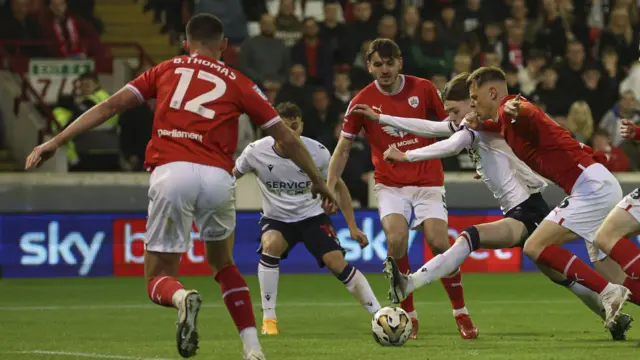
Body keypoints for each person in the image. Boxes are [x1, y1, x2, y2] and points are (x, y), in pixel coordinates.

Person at [24, 14, 337, 360]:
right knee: (224, 265)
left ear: (186, 44)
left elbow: (110, 105)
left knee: (157, 277)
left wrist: (56, 140)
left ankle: (180, 298)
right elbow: (287, 140)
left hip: (172, 171)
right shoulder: (239, 81)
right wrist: (319, 181)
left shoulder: (165, 69)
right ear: (224, 47)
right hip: (219, 177)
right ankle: (253, 349)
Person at [350, 72, 632, 340]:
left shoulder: (482, 125)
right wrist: (382, 117)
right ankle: (614, 316)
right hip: (527, 207)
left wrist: (406, 155)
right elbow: (433, 127)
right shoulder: (480, 125)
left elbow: (446, 143)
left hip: (528, 209)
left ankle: (412, 284)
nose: (453, 116)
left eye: (458, 108)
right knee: (563, 277)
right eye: (449, 111)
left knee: (470, 237)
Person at [463, 66, 640, 330]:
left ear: (492, 92)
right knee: (609, 270)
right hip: (593, 182)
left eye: (475, 98)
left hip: (590, 186)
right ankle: (611, 290)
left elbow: (525, 111)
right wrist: (482, 124)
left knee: (534, 246)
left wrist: (516, 109)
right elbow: (507, 126)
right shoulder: (503, 121)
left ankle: (607, 293)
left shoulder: (511, 108)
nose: (472, 104)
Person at [327, 38, 478, 340]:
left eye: (389, 62)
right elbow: (343, 148)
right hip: (391, 184)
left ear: (400, 63)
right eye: (378, 64)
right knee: (396, 242)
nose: (384, 69)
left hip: (427, 180)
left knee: (438, 242)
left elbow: (452, 124)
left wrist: (477, 159)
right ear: (369, 66)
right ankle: (408, 315)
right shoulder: (360, 102)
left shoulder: (423, 89)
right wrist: (329, 186)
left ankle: (460, 311)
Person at [233, 102, 380, 335]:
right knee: (271, 244)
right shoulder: (255, 152)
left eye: (295, 126)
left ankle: (379, 314)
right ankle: (269, 320)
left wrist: (352, 227)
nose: (291, 132)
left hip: (312, 217)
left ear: (301, 125)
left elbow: (339, 187)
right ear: (273, 128)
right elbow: (232, 176)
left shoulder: (318, 152)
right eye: (284, 127)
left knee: (337, 263)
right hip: (277, 219)